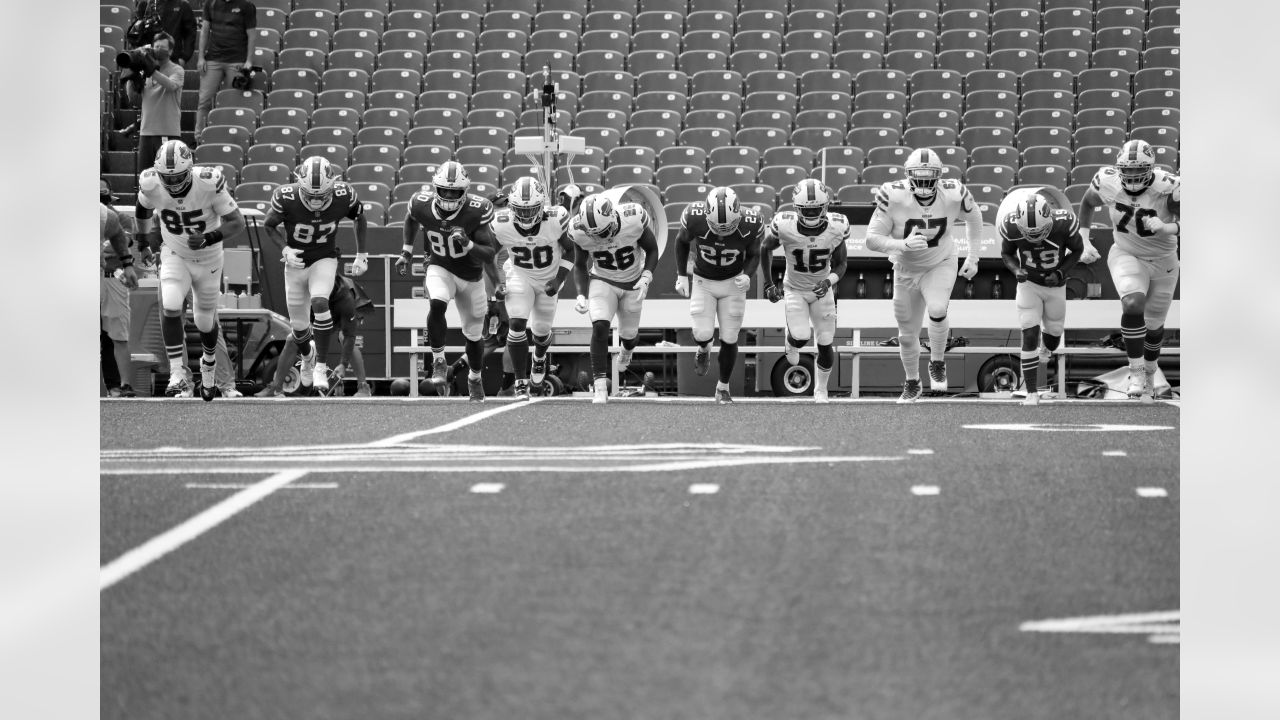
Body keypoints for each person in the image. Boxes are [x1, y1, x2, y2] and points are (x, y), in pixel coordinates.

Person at [865, 148, 982, 403]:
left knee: (938, 308)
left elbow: (975, 217)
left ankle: (937, 362)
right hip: (905, 269)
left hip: (940, 262)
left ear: (939, 176)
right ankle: (912, 382)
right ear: (908, 175)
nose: (924, 182)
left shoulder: (953, 193)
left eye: (930, 176)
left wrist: (973, 256)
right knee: (907, 335)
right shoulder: (893, 195)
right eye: (918, 176)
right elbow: (871, 239)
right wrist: (901, 245)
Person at [135, 139, 245, 400]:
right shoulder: (150, 183)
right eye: (167, 179)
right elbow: (142, 210)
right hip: (174, 252)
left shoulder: (208, 182)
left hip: (208, 258)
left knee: (204, 320)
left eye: (178, 178)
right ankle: (177, 373)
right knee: (171, 303)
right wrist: (141, 242)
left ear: (190, 170)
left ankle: (209, 365)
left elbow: (236, 222)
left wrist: (209, 237)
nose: (172, 184)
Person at [1076, 139, 1181, 401]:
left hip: (1164, 259)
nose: (1132, 175)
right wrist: (1084, 239)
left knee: (1155, 325)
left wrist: (1166, 227)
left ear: (1150, 168)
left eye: (1138, 170)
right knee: (1133, 303)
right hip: (1126, 251)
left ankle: (1149, 372)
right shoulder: (1107, 180)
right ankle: (1135, 370)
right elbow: (1088, 203)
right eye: (1128, 170)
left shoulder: (1168, 187)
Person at [263, 156, 368, 393]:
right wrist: (285, 248)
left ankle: (320, 365)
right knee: (299, 329)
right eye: (311, 195)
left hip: (324, 258)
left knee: (320, 301)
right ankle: (308, 357)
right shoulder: (286, 197)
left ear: (332, 186)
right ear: (300, 186)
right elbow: (268, 224)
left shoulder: (344, 195)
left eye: (322, 195)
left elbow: (360, 217)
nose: (317, 200)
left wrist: (362, 254)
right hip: (296, 265)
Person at [395, 161, 499, 402]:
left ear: (465, 191)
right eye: (445, 190)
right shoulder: (421, 204)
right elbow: (410, 218)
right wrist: (406, 252)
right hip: (440, 267)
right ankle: (439, 361)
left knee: (473, 336)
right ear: (436, 188)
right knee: (437, 303)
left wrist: (468, 243)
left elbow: (489, 253)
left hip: (471, 278)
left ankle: (474, 377)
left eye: (455, 192)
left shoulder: (476, 210)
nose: (450, 196)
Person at [759, 179, 849, 403]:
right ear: (796, 208)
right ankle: (791, 341)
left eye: (816, 209)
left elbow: (841, 264)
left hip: (821, 291)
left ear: (825, 207)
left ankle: (821, 390)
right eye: (807, 209)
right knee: (800, 337)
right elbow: (764, 248)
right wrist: (769, 284)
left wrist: (828, 282)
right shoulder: (785, 226)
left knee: (826, 342)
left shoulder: (836, 228)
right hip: (795, 289)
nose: (811, 214)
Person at [569, 193, 660, 404]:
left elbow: (652, 249)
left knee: (629, 336)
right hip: (603, 279)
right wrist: (581, 293)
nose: (601, 238)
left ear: (612, 217)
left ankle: (627, 350)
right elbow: (581, 264)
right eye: (595, 234)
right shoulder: (578, 230)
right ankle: (600, 386)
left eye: (603, 231)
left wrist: (647, 275)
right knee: (599, 326)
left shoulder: (633, 216)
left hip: (633, 281)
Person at [675, 187, 763, 404]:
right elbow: (681, 241)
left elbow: (754, 254)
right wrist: (681, 275)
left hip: (733, 282)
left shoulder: (751, 222)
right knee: (702, 333)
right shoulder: (694, 216)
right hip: (703, 281)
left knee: (730, 337)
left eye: (728, 227)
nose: (722, 232)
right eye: (717, 227)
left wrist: (749, 275)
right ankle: (704, 347)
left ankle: (723, 387)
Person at [490, 176, 575, 401]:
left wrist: (558, 280)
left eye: (531, 210)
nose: (526, 215)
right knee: (517, 322)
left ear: (541, 206)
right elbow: (490, 255)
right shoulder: (501, 223)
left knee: (541, 331)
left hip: (549, 278)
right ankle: (520, 382)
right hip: (520, 274)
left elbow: (572, 251)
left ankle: (539, 358)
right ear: (511, 207)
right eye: (521, 210)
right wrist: (498, 282)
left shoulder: (556, 219)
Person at [998, 189, 1084, 405]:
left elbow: (1077, 250)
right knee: (1029, 331)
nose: (1034, 236)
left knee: (1053, 336)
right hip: (1029, 284)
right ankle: (1031, 393)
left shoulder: (1064, 222)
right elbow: (1006, 253)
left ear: (1049, 218)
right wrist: (1016, 270)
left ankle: (1047, 347)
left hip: (1056, 285)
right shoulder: (1010, 224)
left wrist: (1061, 273)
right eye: (1029, 231)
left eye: (1039, 231)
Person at [256, 271, 371, 398]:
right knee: (291, 340)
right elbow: (302, 323)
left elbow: (350, 335)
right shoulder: (303, 290)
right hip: (317, 308)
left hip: (342, 306)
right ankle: (276, 388)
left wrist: (343, 364)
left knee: (344, 336)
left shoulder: (345, 297)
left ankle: (363, 387)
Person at [101, 181, 147, 398]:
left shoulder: (119, 218)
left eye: (104, 191)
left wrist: (107, 250)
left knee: (119, 335)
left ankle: (123, 385)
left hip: (113, 278)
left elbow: (122, 242)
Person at [122, 33, 183, 181]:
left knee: (167, 178)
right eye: (155, 47)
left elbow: (170, 86)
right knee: (146, 177)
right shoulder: (145, 72)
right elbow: (134, 99)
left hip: (167, 131)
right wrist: (131, 76)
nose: (157, 50)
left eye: (162, 47)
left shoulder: (177, 70)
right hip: (146, 131)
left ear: (170, 51)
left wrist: (151, 70)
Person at [195, 0, 257, 138]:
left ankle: (231, 137)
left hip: (236, 61)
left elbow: (252, 35)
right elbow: (204, 30)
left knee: (233, 101)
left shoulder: (246, 6)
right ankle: (199, 137)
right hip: (213, 59)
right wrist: (200, 57)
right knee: (204, 100)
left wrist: (249, 61)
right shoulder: (210, 4)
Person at [129, 1, 198, 66]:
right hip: (149, 59)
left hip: (173, 59)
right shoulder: (147, 4)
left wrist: (184, 58)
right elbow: (134, 35)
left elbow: (190, 34)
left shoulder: (183, 5)